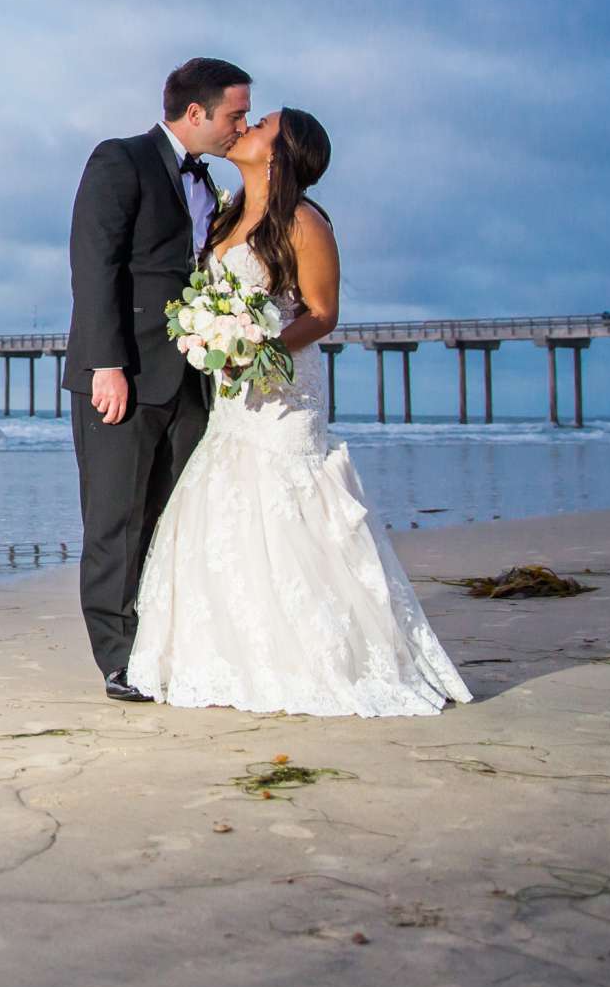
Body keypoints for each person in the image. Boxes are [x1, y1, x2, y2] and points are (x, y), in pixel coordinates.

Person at [126, 108, 471, 716]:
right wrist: (211, 336)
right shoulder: (229, 213)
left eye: (259, 124)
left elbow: (322, 311)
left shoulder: (304, 221)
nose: (246, 127)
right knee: (226, 504)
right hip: (233, 398)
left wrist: (259, 347)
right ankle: (226, 655)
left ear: (281, 153)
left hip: (283, 391)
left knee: (290, 505)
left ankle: (323, 658)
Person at [64, 57, 250, 702]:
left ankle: (165, 643)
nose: (241, 125)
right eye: (235, 114)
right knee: (116, 519)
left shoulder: (212, 184)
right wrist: (104, 365)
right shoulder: (121, 160)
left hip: (191, 379)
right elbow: (95, 265)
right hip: (126, 374)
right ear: (194, 113)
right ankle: (119, 660)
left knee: (171, 519)